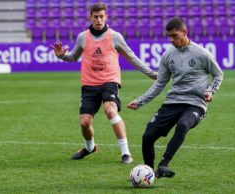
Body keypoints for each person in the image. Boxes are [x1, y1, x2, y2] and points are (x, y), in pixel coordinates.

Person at [51, 3, 157, 164]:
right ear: (90, 17)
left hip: (109, 81)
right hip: (89, 84)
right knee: (85, 122)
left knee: (110, 110)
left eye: (102, 16)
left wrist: (151, 74)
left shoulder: (115, 36)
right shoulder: (82, 37)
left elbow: (131, 57)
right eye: (96, 17)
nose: (99, 20)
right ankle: (89, 147)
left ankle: (125, 153)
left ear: (106, 17)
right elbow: (73, 56)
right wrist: (61, 56)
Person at [127, 17, 224, 177]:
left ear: (185, 32)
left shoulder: (201, 53)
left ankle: (163, 164)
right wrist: (140, 101)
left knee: (183, 125)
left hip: (195, 103)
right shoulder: (168, 56)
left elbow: (218, 74)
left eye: (174, 36)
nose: (171, 40)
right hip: (172, 102)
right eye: (169, 36)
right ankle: (149, 173)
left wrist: (210, 91)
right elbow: (159, 84)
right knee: (148, 136)